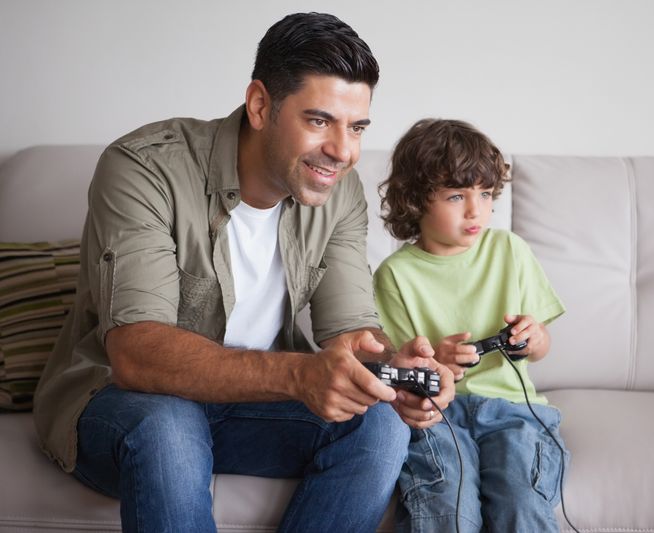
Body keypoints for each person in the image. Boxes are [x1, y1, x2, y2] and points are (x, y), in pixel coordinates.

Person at [33, 13, 454, 533]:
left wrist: (393, 370)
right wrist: (300, 373)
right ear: (260, 105)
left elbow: (351, 331)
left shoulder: (339, 192)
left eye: (357, 127)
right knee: (170, 423)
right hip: (125, 403)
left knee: (382, 425)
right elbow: (135, 353)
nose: (344, 151)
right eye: (319, 120)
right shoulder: (143, 168)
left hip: (253, 403)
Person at [373, 118, 568, 532]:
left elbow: (543, 343)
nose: (476, 209)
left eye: (484, 193)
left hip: (513, 412)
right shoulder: (395, 275)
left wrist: (533, 339)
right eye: (456, 196)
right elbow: (398, 372)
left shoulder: (509, 250)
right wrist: (437, 361)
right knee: (446, 506)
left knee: (521, 499)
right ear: (416, 200)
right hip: (439, 414)